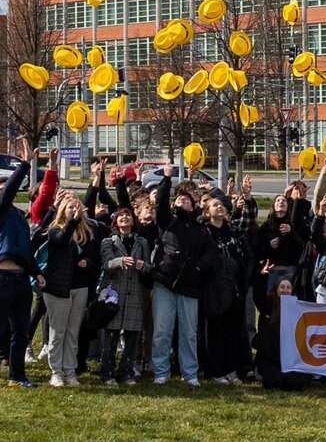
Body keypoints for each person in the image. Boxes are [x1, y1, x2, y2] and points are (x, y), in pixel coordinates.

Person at [150, 164, 217, 386]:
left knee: (188, 333)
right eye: (179, 198)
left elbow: (211, 252)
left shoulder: (200, 229)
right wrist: (167, 179)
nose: (182, 200)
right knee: (162, 330)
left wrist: (198, 268)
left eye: (187, 199)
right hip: (165, 283)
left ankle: (190, 373)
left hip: (189, 287)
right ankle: (161, 370)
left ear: (193, 206)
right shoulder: (167, 222)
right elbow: (159, 203)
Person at [0, 141, 46, 387]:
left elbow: (24, 250)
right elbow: (9, 192)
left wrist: (36, 272)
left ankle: (17, 375)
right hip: (2, 279)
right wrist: (26, 164)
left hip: (20, 281)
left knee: (21, 332)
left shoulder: (18, 218)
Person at [42, 191, 96, 387]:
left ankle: (70, 371)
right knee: (58, 331)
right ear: (63, 211)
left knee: (73, 332)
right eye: (70, 207)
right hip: (58, 288)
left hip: (79, 287)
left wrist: (87, 263)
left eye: (76, 207)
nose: (74, 210)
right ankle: (56, 372)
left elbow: (93, 259)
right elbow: (62, 239)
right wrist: (72, 221)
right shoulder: (55, 230)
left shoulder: (86, 232)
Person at [201, 195, 255, 384]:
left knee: (233, 331)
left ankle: (231, 370)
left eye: (221, 205)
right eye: (215, 205)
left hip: (233, 286)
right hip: (213, 288)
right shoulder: (204, 233)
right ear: (207, 212)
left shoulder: (231, 230)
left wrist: (247, 199)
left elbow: (248, 222)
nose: (220, 207)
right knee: (215, 331)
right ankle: (216, 371)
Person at [98, 207, 151, 385]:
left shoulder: (142, 242)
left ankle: (126, 371)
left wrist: (143, 266)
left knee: (132, 335)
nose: (125, 218)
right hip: (114, 292)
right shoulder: (108, 241)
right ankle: (107, 372)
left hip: (135, 292)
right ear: (115, 222)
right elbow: (106, 263)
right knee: (110, 335)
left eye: (127, 215)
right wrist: (120, 261)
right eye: (120, 216)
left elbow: (149, 267)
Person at [253, 277, 307, 391]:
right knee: (274, 381)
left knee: (294, 382)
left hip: (287, 358)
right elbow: (258, 297)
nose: (285, 290)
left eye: (288, 287)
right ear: (276, 289)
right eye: (282, 287)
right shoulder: (268, 304)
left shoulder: (296, 307)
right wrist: (262, 276)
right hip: (269, 356)